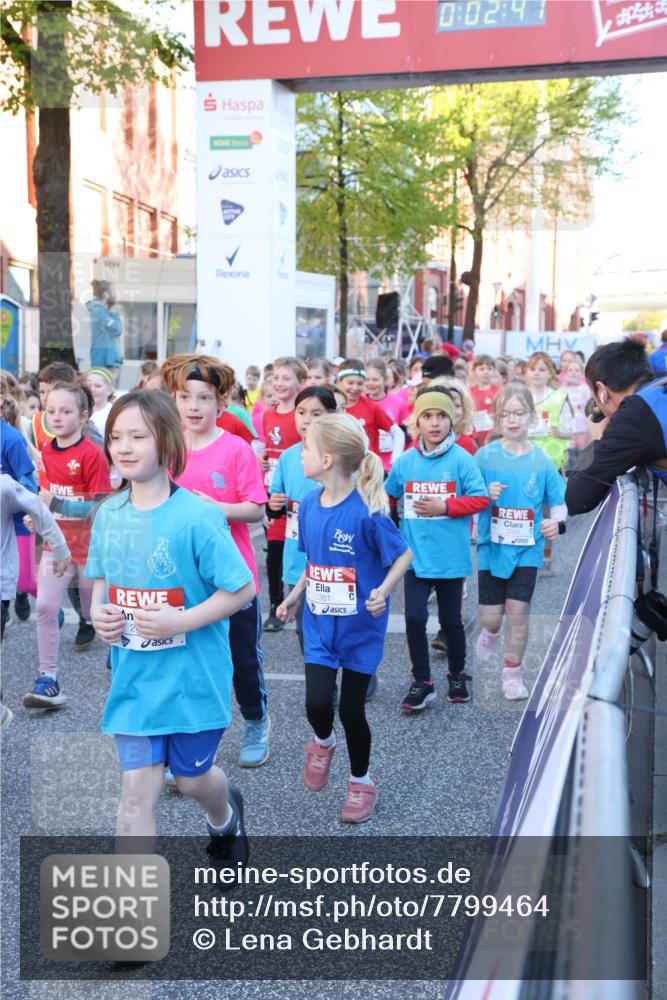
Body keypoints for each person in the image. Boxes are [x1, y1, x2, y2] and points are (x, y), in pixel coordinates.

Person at [85, 390, 255, 849]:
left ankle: (225, 818)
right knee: (136, 798)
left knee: (192, 780)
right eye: (116, 436)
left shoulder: (197, 516)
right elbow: (101, 577)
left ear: (167, 441)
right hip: (135, 684)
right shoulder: (109, 515)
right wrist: (100, 613)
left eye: (137, 436)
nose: (124, 446)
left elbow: (243, 588)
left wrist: (181, 621)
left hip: (192, 684)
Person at [276, 414, 412, 824]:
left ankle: (361, 781)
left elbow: (403, 555)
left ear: (327, 459)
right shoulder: (310, 507)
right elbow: (314, 561)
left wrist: (382, 592)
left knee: (352, 710)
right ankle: (322, 741)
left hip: (359, 630)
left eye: (306, 448)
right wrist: (293, 597)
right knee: (317, 703)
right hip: (319, 624)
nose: (300, 454)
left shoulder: (368, 511)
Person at [161, 354, 270, 768]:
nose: (194, 406)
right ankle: (186, 746)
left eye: (203, 397)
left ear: (221, 401)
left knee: (243, 659)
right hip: (182, 577)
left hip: (232, 576)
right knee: (186, 664)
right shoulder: (167, 446)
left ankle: (256, 722)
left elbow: (256, 509)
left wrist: (214, 508)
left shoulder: (236, 448)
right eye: (185, 396)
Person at [385, 386, 488, 709]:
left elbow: (480, 498)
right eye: (427, 416)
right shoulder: (406, 462)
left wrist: (445, 507)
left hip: (450, 557)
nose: (434, 423)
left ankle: (457, 673)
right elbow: (387, 496)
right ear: (416, 421)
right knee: (414, 619)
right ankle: (422, 681)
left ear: (452, 420)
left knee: (451, 621)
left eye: (441, 415)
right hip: (414, 556)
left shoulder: (461, 459)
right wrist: (391, 536)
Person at [474, 385, 567, 700]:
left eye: (519, 413)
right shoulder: (484, 456)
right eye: (505, 414)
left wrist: (556, 521)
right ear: (497, 419)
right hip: (491, 547)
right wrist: (485, 496)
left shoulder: (541, 461)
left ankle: (511, 673)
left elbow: (558, 501)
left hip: (528, 549)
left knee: (518, 613)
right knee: (490, 616)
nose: (512, 420)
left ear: (531, 416)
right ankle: (491, 631)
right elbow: (467, 497)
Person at [23, 381, 111, 708]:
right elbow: (46, 497)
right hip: (58, 546)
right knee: (45, 607)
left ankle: (121, 652)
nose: (57, 417)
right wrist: (39, 515)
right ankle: (49, 678)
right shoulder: (47, 451)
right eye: (51, 411)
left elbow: (99, 506)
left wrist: (55, 504)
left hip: (91, 549)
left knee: (94, 612)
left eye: (66, 411)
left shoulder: (92, 454)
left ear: (84, 415)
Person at [267, 385, 337, 651]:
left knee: (338, 623)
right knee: (304, 628)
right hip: (298, 557)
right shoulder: (288, 456)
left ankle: (358, 671)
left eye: (317, 414)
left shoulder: (343, 455)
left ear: (332, 416)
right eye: (301, 412)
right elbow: (275, 505)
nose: (307, 420)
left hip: (335, 559)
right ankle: (319, 681)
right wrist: (273, 505)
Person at [565, 338, 659, 515]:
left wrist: (596, 441)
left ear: (601, 391)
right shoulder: (657, 392)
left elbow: (576, 500)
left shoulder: (635, 415)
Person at [261, 356, 306, 632]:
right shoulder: (267, 414)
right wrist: (262, 460)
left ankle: (301, 599)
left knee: (300, 548)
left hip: (300, 492)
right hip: (276, 493)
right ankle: (276, 607)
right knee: (274, 552)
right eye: (276, 378)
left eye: (285, 378)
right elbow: (267, 448)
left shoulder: (302, 414)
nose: (279, 383)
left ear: (301, 383)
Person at [336, 359, 403, 465]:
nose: (355, 388)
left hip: (368, 471)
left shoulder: (371, 408)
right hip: (340, 470)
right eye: (350, 383)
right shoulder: (331, 406)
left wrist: (394, 462)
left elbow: (398, 433)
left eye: (360, 383)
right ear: (339, 381)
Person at [363, 357, 407, 473]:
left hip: (391, 463)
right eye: (367, 380)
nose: (371, 384)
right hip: (366, 464)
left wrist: (396, 460)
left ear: (385, 379)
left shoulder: (398, 402)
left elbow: (405, 434)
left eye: (375, 379)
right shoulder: (361, 403)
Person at [87, 279, 123, 371]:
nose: (116, 294)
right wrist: (115, 314)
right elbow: (117, 329)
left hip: (110, 361)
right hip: (103, 362)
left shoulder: (105, 311)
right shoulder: (98, 311)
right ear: (105, 294)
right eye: (113, 291)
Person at [469, 355, 500, 446]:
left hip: (495, 434)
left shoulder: (499, 391)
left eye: (489, 369)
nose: (486, 372)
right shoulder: (469, 392)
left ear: (494, 371)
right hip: (475, 435)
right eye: (481, 369)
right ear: (474, 371)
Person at [85, 368, 115, 437]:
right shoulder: (79, 410)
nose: (92, 390)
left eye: (98, 386)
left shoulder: (114, 412)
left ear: (109, 390)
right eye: (89, 386)